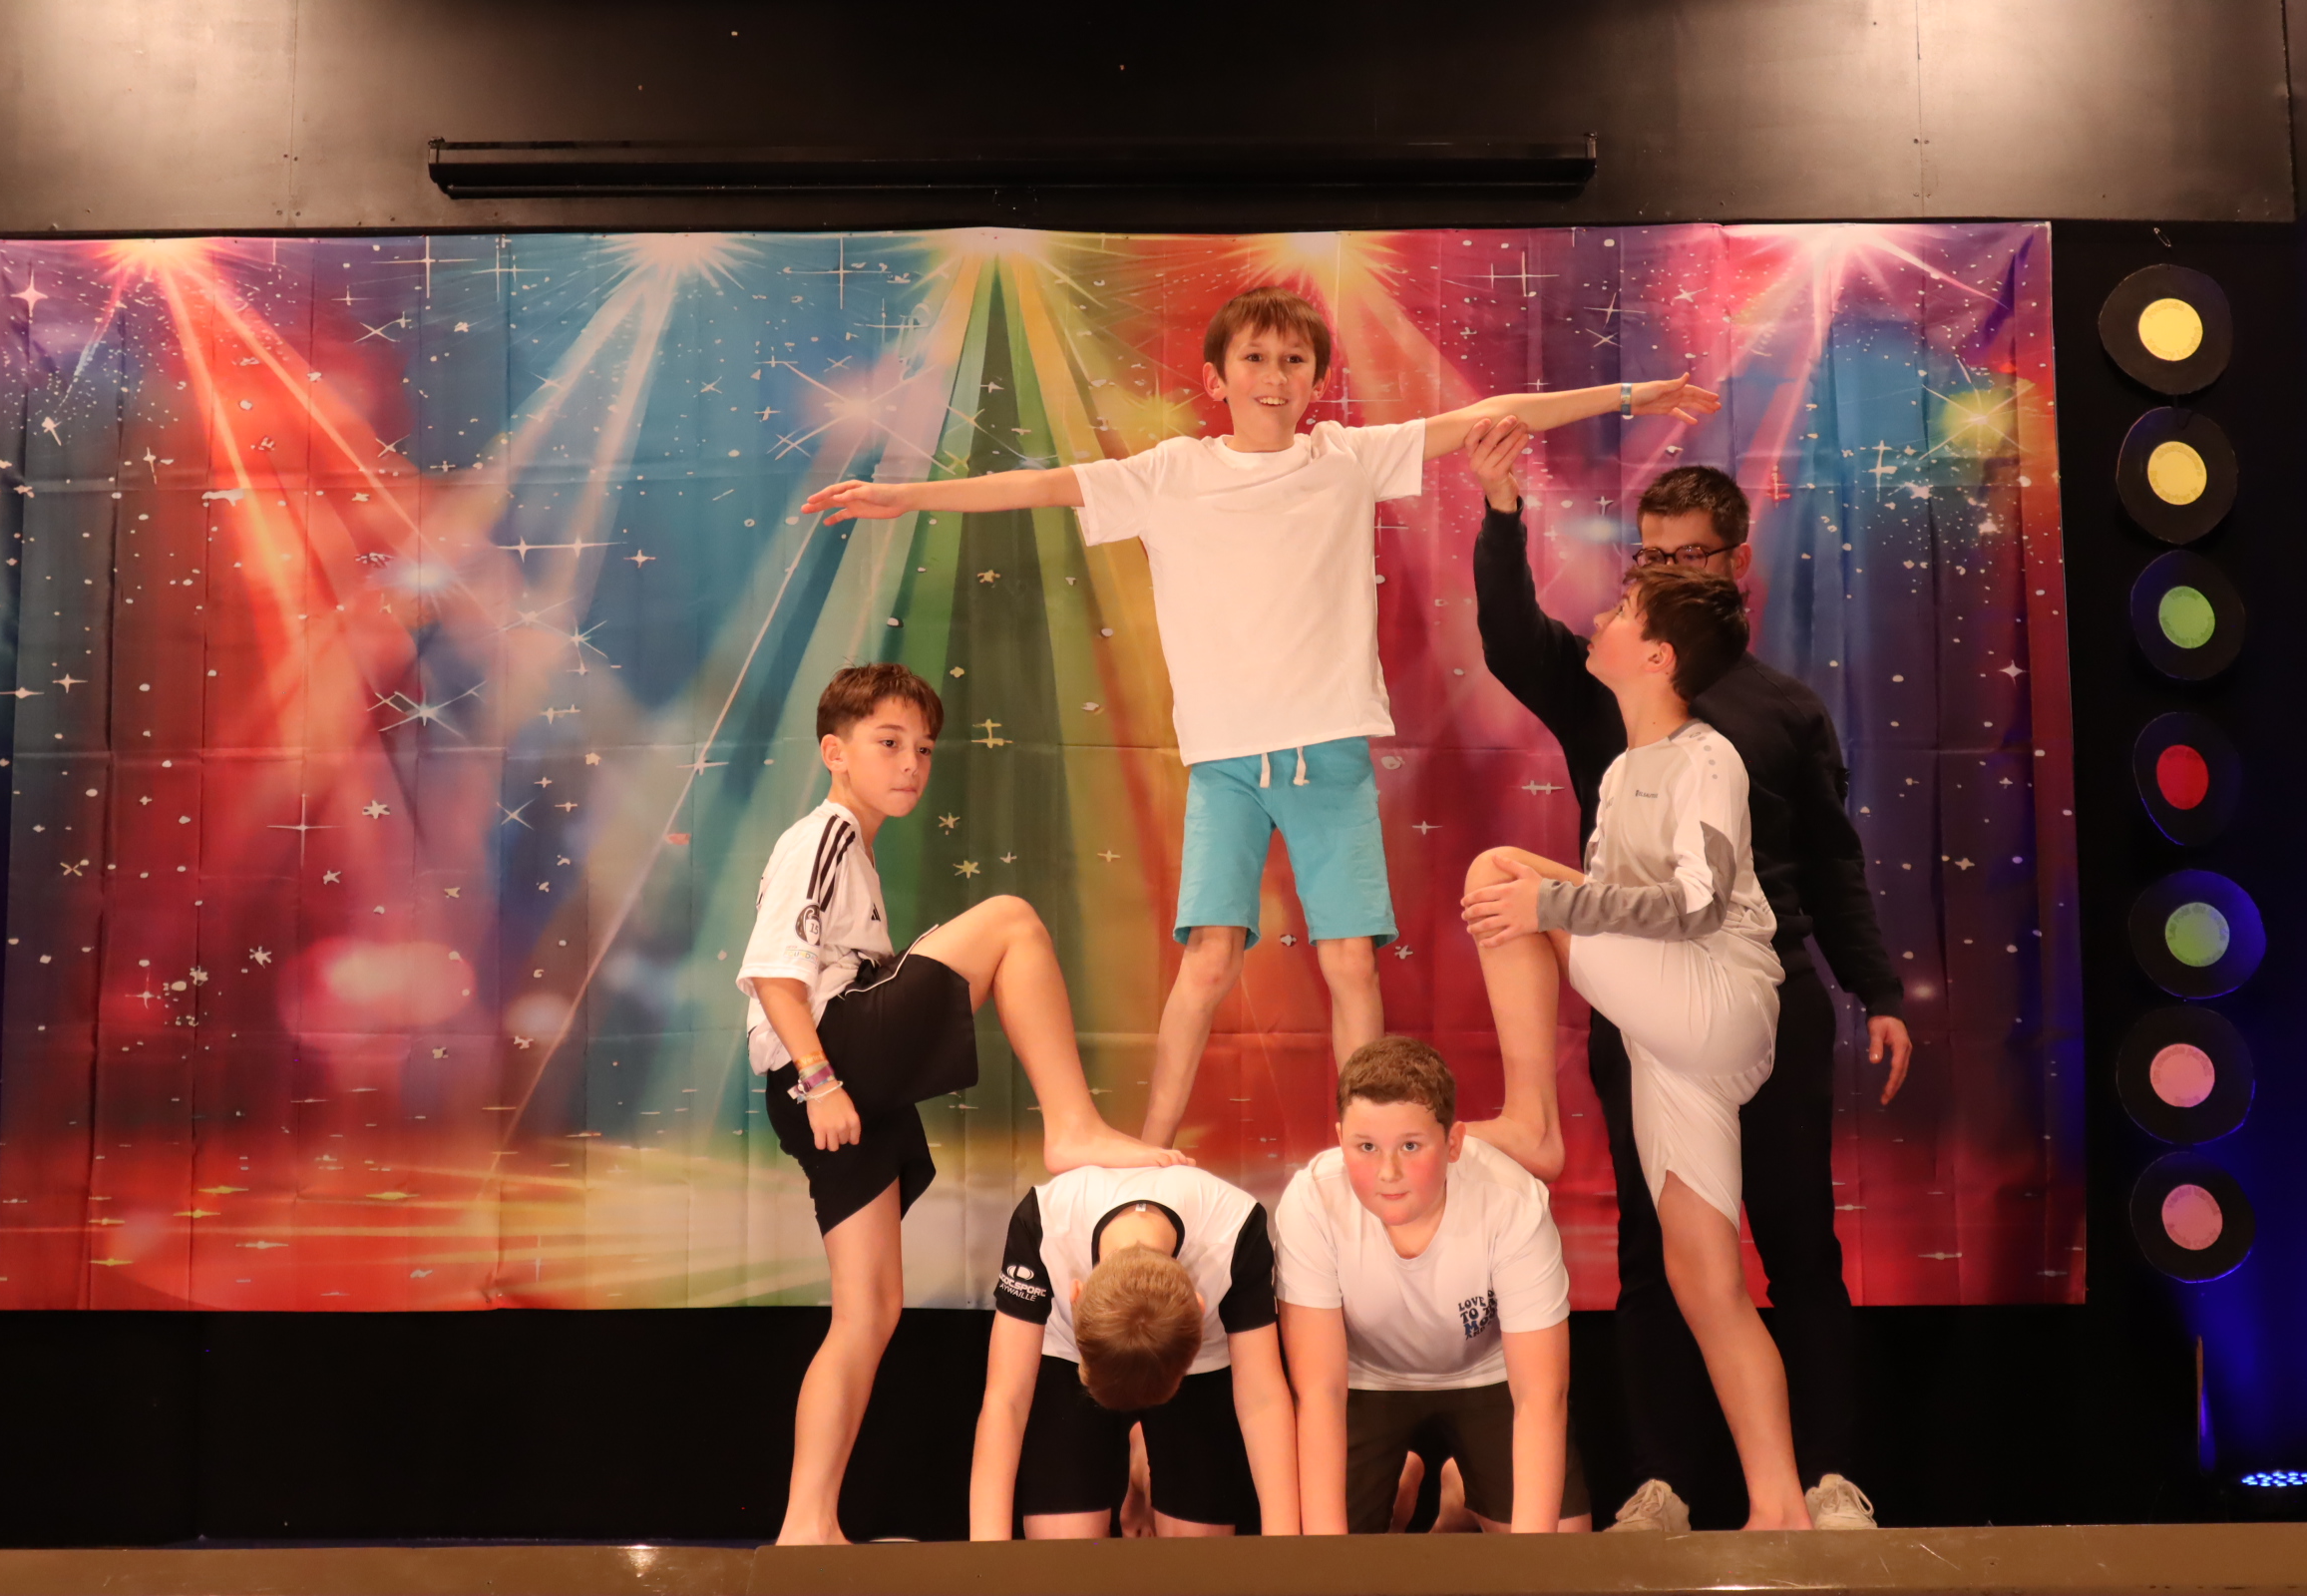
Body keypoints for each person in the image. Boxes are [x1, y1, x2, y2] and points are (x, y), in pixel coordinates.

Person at [803, 287, 1719, 1163]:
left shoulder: (1346, 458)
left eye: (1293, 361)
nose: (1274, 376)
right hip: (1226, 766)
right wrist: (907, 496)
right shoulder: (1172, 472)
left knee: (1349, 964)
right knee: (1206, 964)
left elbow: (1492, 412)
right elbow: (1041, 487)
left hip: (1328, 756)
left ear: (1317, 380)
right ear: (1217, 378)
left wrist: (1632, 395)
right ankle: (1148, 1147)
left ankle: (1362, 1146)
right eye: (1254, 358)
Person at [1464, 425, 1909, 1532]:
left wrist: (1879, 990)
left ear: (1729, 566)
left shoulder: (1752, 726)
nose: (1649, 580)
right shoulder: (1613, 727)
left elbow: (1809, 868)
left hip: (1741, 994)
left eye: (1681, 560)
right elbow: (1513, 638)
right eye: (1644, 560)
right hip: (1648, 1006)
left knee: (1799, 1242)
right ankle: (1707, 1489)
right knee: (1680, 1264)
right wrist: (1502, 511)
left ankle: (1829, 1476)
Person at [738, 661, 1184, 1546]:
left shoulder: (856, 852)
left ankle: (806, 1527)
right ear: (834, 752)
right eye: (888, 743)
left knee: (869, 1312)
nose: (911, 763)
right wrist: (821, 1082)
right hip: (824, 1066)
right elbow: (774, 975)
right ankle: (1073, 1126)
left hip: (835, 1077)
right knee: (1011, 920)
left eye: (924, 748)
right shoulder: (822, 835)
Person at [1460, 562, 1807, 1528]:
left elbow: (1696, 904)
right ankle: (1781, 1510)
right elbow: (1614, 909)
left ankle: (1531, 1118)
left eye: (1618, 612)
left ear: (1656, 656)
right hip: (1670, 1045)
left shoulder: (1708, 757)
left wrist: (1549, 902)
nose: (1597, 619)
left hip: (1718, 996)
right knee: (1706, 1283)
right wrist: (1557, 902)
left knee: (1502, 873)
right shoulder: (1620, 771)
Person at [1276, 1035, 1585, 1535]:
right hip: (1365, 1378)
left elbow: (1540, 1394)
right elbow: (1320, 1391)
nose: (1388, 1173)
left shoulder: (1512, 1203)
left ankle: (1464, 1492)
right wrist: (1325, 1561)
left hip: (1485, 1373)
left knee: (1561, 1547)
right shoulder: (1312, 1201)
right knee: (1326, 1548)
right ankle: (1403, 1478)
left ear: (1454, 1143)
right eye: (1366, 1147)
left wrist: (1533, 1563)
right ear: (1340, 1139)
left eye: (1411, 1146)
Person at [969, 1162, 1299, 1539]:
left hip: (1196, 1368)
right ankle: (1138, 1449)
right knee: (1062, 1555)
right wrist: (984, 1557)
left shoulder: (1235, 1225)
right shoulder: (1046, 1218)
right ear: (1076, 1298)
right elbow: (1006, 1399)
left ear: (1198, 1306)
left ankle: (1145, 1459)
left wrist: (1286, 1547)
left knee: (1198, 1557)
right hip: (1069, 1357)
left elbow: (1262, 1398)